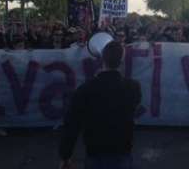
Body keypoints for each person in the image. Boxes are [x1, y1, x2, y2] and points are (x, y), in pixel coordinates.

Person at [59, 41, 142, 169]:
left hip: (95, 153)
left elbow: (72, 124)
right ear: (121, 61)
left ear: (102, 60)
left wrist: (66, 156)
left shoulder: (85, 89)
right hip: (122, 152)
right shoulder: (133, 87)